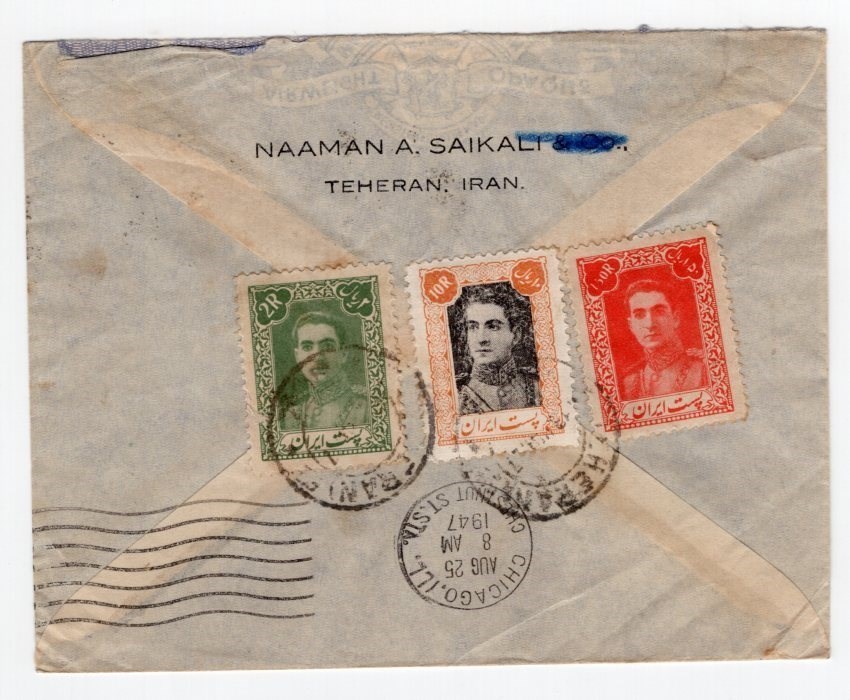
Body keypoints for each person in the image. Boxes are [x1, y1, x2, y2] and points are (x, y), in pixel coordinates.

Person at [453, 284, 541, 415]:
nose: (481, 339)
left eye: (493, 327)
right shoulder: (454, 394)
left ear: (516, 335)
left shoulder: (538, 387)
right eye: (473, 327)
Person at [280, 310, 369, 430]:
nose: (317, 357)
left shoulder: (368, 407)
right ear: (297, 356)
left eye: (327, 346)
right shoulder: (292, 417)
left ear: (343, 354)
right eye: (307, 347)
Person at [621, 279, 707, 400]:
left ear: (675, 319)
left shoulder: (704, 369)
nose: (650, 324)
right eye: (639, 315)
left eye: (659, 312)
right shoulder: (629, 381)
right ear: (631, 326)